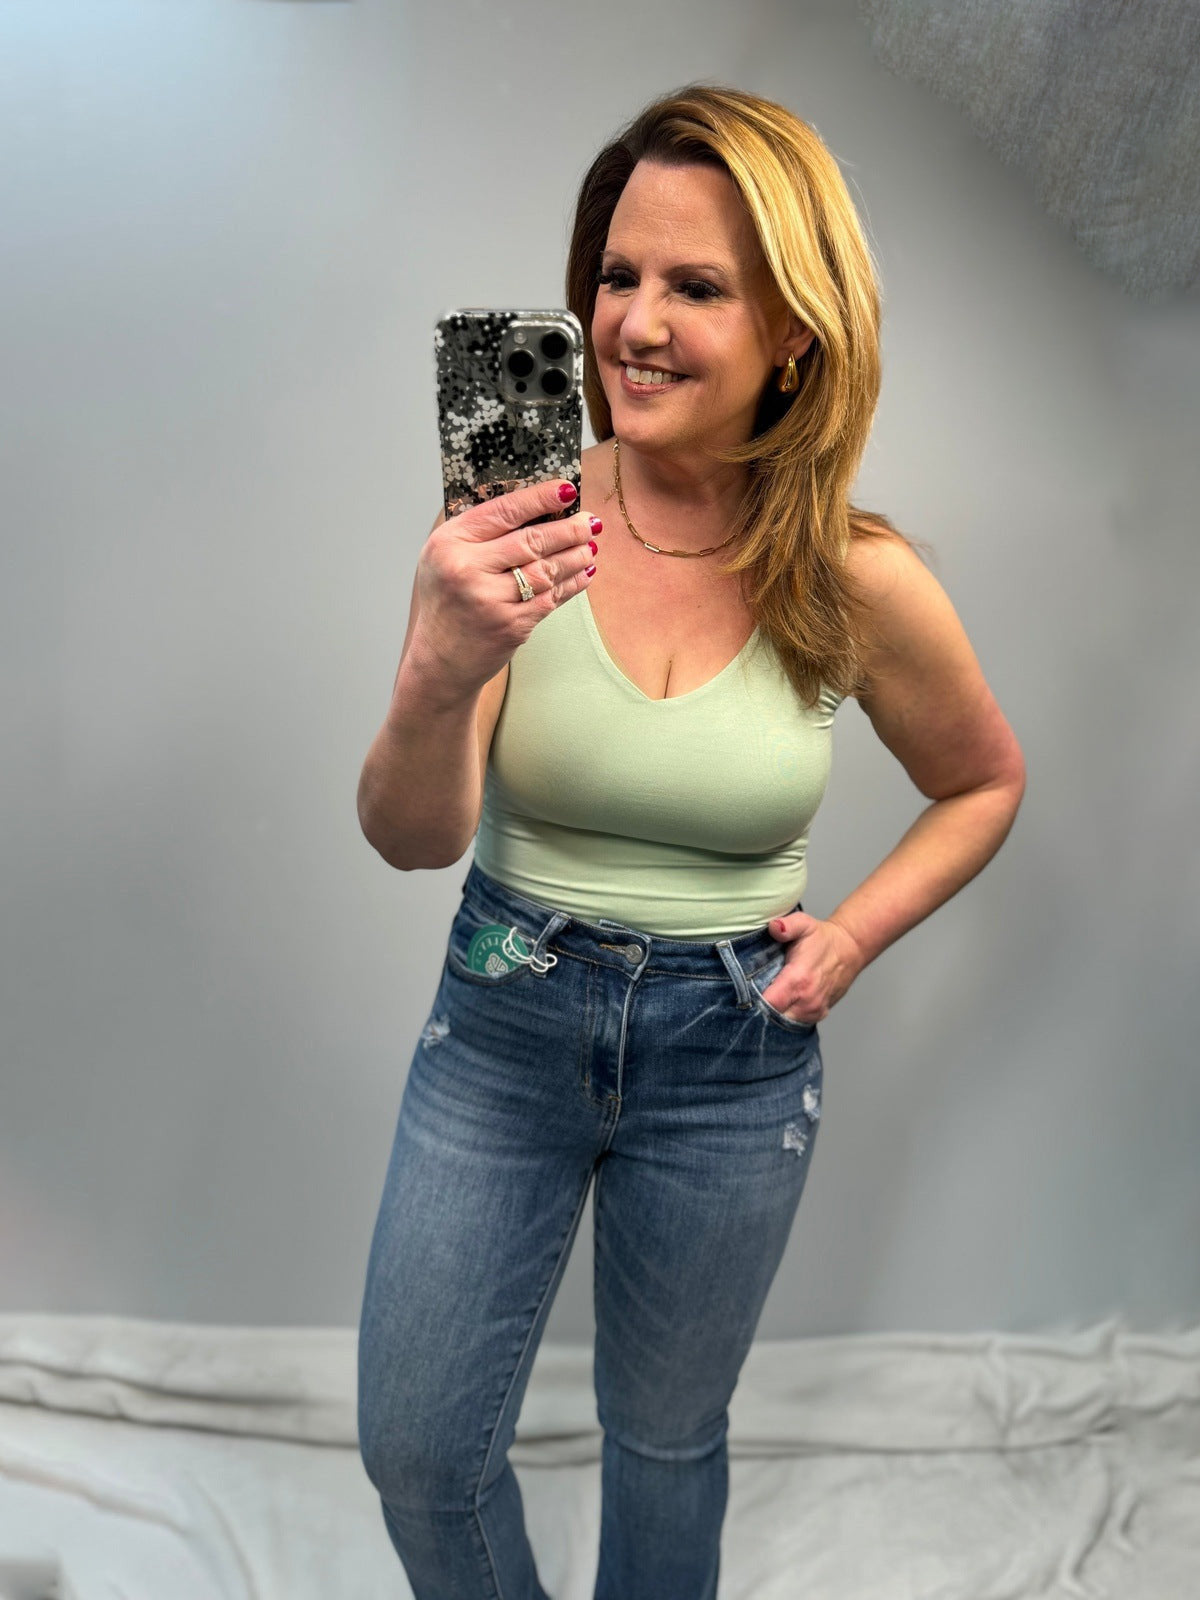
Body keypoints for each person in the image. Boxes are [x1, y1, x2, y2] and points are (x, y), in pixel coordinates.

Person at [354, 84, 1026, 1600]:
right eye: (617, 275)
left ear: (794, 332)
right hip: (507, 1017)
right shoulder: (517, 517)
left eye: (696, 287)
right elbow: (410, 838)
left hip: (732, 1053)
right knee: (420, 1450)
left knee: (665, 1439)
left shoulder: (850, 573)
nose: (633, 325)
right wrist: (443, 662)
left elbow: (983, 780)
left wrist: (852, 936)